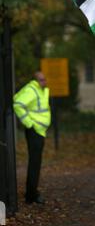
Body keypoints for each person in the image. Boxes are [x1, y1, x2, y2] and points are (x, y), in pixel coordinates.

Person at [13, 72, 51, 204]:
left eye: (45, 79)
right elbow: (17, 104)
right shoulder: (32, 90)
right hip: (34, 131)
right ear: (35, 81)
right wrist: (29, 123)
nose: (44, 82)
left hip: (39, 132)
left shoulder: (40, 90)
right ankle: (31, 195)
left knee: (36, 163)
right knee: (34, 163)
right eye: (41, 80)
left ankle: (32, 192)